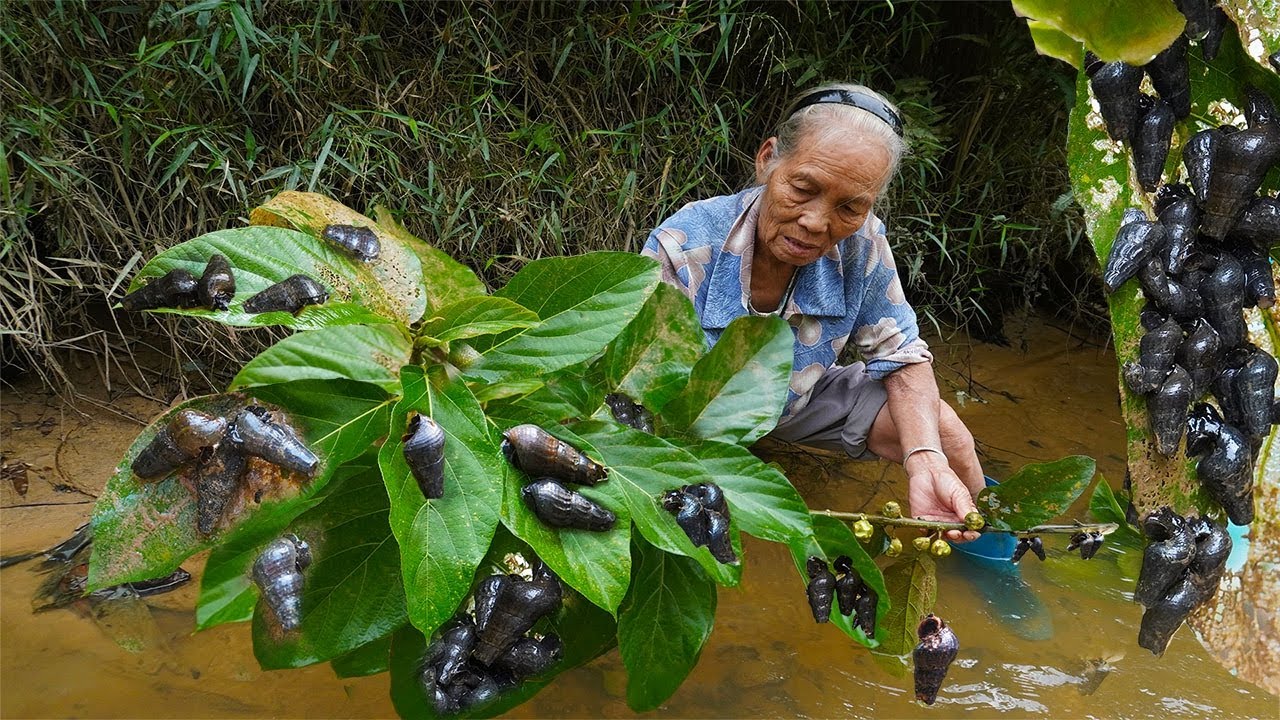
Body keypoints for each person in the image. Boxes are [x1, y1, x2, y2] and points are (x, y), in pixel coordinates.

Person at [642, 83, 983, 541]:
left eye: (850, 207)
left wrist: (925, 458)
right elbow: (644, 395)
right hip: (696, 415)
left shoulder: (864, 244)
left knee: (946, 434)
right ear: (768, 161)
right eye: (803, 189)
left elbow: (902, 355)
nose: (817, 223)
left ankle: (974, 523)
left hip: (796, 396)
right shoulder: (684, 245)